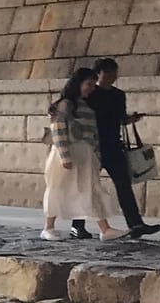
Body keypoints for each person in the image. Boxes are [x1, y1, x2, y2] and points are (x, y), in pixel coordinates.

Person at [75, 57, 160, 238]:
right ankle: (78, 225)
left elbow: (120, 118)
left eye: (114, 72)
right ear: (98, 74)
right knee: (87, 186)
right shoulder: (90, 92)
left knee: (124, 185)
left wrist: (130, 119)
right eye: (108, 72)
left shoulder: (118, 95)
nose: (112, 76)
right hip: (93, 146)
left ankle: (136, 224)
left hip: (114, 145)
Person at [42, 68, 125, 241]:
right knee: (60, 188)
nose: (91, 88)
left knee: (90, 189)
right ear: (78, 84)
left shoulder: (83, 105)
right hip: (70, 152)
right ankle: (48, 227)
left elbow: (91, 133)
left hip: (84, 154)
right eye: (88, 84)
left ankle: (105, 229)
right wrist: (65, 155)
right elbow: (58, 129)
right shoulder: (66, 104)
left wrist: (95, 154)